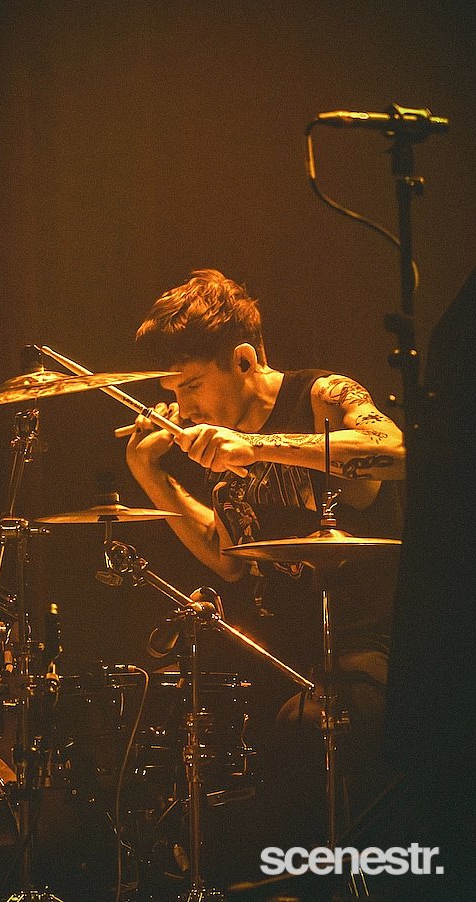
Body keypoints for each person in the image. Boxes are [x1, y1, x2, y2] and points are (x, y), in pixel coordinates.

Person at [126, 268, 405, 845]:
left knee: (300, 732)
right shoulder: (216, 436)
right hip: (283, 654)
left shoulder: (323, 395)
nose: (183, 406)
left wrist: (256, 447)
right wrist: (148, 471)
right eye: (173, 393)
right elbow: (229, 557)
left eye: (191, 385)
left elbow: (395, 450)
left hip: (373, 647)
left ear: (243, 359)